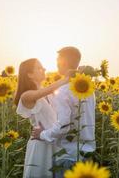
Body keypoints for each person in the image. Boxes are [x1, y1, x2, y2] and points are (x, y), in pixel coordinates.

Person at [32, 46, 96, 177]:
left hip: (68, 157)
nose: (56, 63)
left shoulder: (63, 91)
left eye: (57, 60)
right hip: (87, 155)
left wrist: (42, 134)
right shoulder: (90, 90)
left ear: (64, 62)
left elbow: (64, 126)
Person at [14, 58, 70, 178]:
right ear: (29, 74)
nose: (44, 69)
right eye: (39, 68)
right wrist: (66, 79)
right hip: (40, 147)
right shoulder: (26, 95)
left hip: (51, 141)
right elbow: (49, 89)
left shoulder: (47, 94)